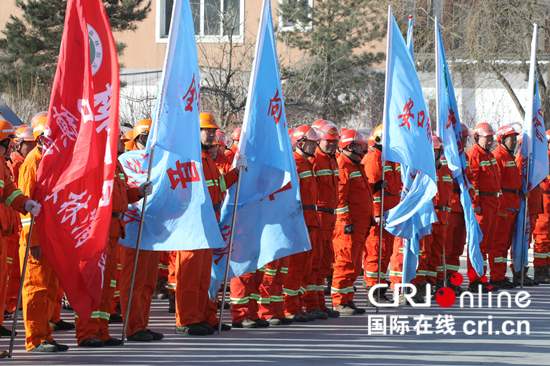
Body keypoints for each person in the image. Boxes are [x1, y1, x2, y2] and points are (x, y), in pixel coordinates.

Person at [75, 129, 152, 347]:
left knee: (107, 285)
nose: (122, 142)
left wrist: (138, 191)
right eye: (119, 139)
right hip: (98, 231)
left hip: (114, 229)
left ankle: (101, 332)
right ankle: (86, 333)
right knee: (91, 283)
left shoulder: (116, 165)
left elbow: (123, 194)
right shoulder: (95, 164)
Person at [175, 113, 246, 336]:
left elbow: (220, 185)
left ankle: (204, 317)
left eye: (213, 131)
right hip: (193, 225)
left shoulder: (207, 159)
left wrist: (236, 173)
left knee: (205, 276)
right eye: (207, 130)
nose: (212, 134)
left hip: (209, 223)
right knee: (189, 276)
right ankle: (186, 320)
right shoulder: (189, 159)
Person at [17, 117, 63, 352]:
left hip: (51, 238)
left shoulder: (50, 161)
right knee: (35, 288)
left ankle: (46, 334)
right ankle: (35, 338)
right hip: (36, 239)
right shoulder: (32, 163)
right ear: (41, 138)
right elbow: (25, 206)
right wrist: (33, 240)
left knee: (49, 288)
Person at [119, 119, 163, 342]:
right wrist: (139, 190)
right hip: (133, 226)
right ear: (136, 139)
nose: (147, 141)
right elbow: (125, 190)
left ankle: (142, 324)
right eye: (144, 137)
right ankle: (132, 327)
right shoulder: (124, 160)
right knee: (133, 279)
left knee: (148, 281)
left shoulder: (160, 160)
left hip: (153, 228)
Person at [332, 129, 377, 315]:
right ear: (350, 146)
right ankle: (339, 301)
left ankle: (348, 299)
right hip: (349, 226)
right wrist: (345, 221)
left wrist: (376, 186)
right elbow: (340, 198)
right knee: (345, 263)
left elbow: (360, 193)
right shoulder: (343, 164)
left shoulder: (354, 164)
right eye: (359, 145)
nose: (363, 148)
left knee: (354, 265)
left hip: (360, 224)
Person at [283, 126, 320, 322]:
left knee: (305, 267)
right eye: (313, 143)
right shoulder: (295, 164)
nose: (315, 146)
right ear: (301, 142)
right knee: (295, 267)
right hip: (299, 221)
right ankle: (290, 308)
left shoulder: (307, 164)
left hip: (309, 221)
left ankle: (297, 305)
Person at [363, 125, 402, 305]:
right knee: (376, 253)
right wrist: (377, 213)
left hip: (391, 212)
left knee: (384, 253)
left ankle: (378, 287)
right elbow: (372, 190)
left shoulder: (389, 160)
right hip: (381, 214)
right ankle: (373, 289)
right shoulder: (373, 160)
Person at [309, 122, 341, 318]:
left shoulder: (332, 160)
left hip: (330, 219)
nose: (331, 145)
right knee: (313, 264)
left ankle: (320, 303)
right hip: (318, 217)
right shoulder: (314, 161)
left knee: (323, 264)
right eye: (328, 141)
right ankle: (311, 304)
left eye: (334, 142)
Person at [466, 122, 500, 292]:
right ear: (477, 137)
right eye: (486, 138)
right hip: (482, 206)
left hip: (492, 204)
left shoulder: (489, 156)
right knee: (478, 243)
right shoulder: (474, 154)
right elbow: (473, 181)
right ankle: (474, 280)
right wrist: (475, 204)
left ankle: (482, 277)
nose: (489, 141)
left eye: (491, 138)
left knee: (486, 244)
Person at [489, 125, 521, 289]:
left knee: (505, 243)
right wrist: (501, 208)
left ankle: (500, 275)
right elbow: (497, 185)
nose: (514, 142)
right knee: (499, 243)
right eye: (511, 139)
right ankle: (496, 276)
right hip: (504, 207)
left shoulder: (509, 157)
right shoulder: (498, 156)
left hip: (512, 206)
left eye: (515, 139)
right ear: (502, 139)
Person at [444, 123, 473, 293]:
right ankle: (442, 279)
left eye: (465, 138)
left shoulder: (465, 157)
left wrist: (471, 197)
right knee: (446, 246)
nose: (464, 140)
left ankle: (452, 278)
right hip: (450, 205)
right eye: (462, 137)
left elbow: (470, 179)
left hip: (463, 206)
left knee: (457, 247)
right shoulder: (445, 155)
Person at [533, 129, 550, 284]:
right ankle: (540, 269)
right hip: (545, 198)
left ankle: (547, 267)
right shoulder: (543, 159)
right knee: (542, 235)